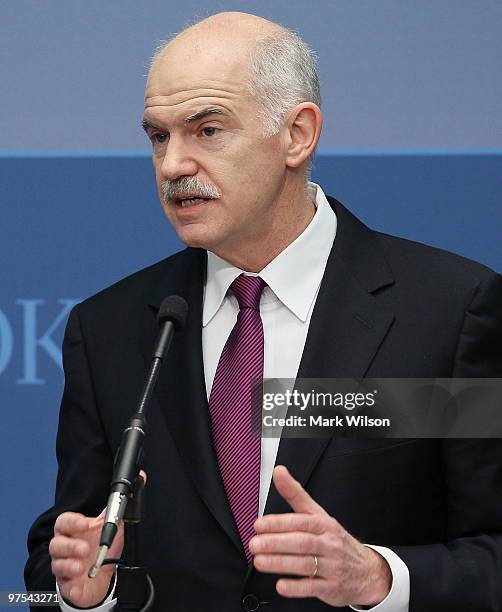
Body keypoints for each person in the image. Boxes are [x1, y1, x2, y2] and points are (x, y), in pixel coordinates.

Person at [25, 11, 502, 612]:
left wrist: (381, 577)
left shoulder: (447, 312)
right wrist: (87, 589)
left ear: (297, 135)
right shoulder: (112, 330)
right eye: (158, 136)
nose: (172, 165)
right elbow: (59, 553)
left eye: (207, 130)